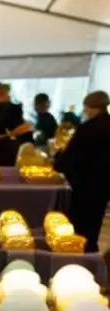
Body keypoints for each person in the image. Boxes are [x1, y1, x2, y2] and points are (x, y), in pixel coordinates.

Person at [55, 91, 110, 253]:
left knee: (79, 221)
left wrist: (57, 163)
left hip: (83, 182)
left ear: (91, 108)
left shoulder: (87, 128)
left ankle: (77, 249)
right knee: (96, 217)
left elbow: (69, 158)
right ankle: (91, 247)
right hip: (104, 181)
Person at [0, 82, 31, 166]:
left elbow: (25, 127)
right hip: (5, 151)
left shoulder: (10, 109)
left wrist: (8, 135)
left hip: (7, 152)